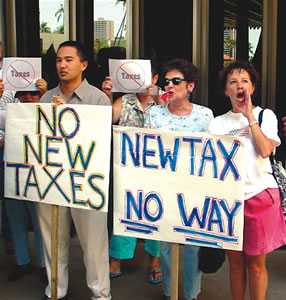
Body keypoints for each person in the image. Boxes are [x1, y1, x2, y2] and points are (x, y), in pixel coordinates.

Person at [38, 40, 111, 300]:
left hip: (86, 181)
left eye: (68, 60)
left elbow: (102, 141)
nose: (62, 65)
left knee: (94, 244)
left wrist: (71, 116)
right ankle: (55, 290)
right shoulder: (46, 98)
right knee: (53, 240)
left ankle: (100, 294)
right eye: (58, 60)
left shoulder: (98, 99)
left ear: (83, 65)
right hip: (52, 180)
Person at [209, 60, 286, 300]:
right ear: (226, 90)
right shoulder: (217, 123)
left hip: (260, 196)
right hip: (229, 202)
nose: (239, 86)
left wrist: (250, 116)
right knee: (235, 264)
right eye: (233, 82)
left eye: (245, 81)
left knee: (255, 264)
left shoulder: (266, 116)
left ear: (252, 88)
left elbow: (265, 150)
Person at [144, 58, 214, 300]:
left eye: (176, 81)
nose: (170, 86)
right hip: (163, 190)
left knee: (194, 246)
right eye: (167, 82)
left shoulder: (206, 116)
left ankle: (192, 293)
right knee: (164, 247)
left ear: (190, 86)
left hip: (194, 191)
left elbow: (212, 155)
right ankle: (169, 292)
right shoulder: (153, 114)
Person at [102, 60, 164, 283]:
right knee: (124, 212)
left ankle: (154, 262)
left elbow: (175, 121)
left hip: (158, 169)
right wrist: (108, 95)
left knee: (156, 212)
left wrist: (159, 98)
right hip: (128, 169)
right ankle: (116, 260)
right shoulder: (125, 100)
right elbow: (107, 119)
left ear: (155, 78)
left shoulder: (165, 99)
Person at [2, 88, 48, 283]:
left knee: (40, 222)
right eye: (24, 94)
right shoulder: (9, 113)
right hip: (13, 172)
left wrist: (45, 94)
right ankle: (22, 262)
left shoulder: (47, 111)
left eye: (34, 94)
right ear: (17, 96)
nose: (28, 97)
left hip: (38, 176)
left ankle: (44, 266)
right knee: (16, 218)